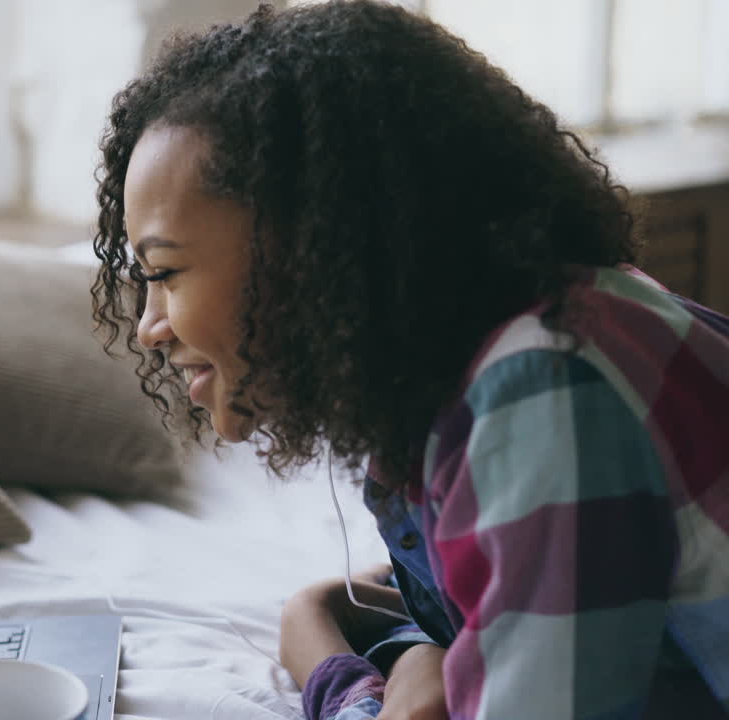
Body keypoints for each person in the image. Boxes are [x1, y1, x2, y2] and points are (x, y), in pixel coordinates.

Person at [89, 2, 729, 718]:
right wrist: (357, 632)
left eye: (165, 274)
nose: (148, 328)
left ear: (314, 244)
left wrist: (348, 686)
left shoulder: (543, 391)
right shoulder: (514, 347)